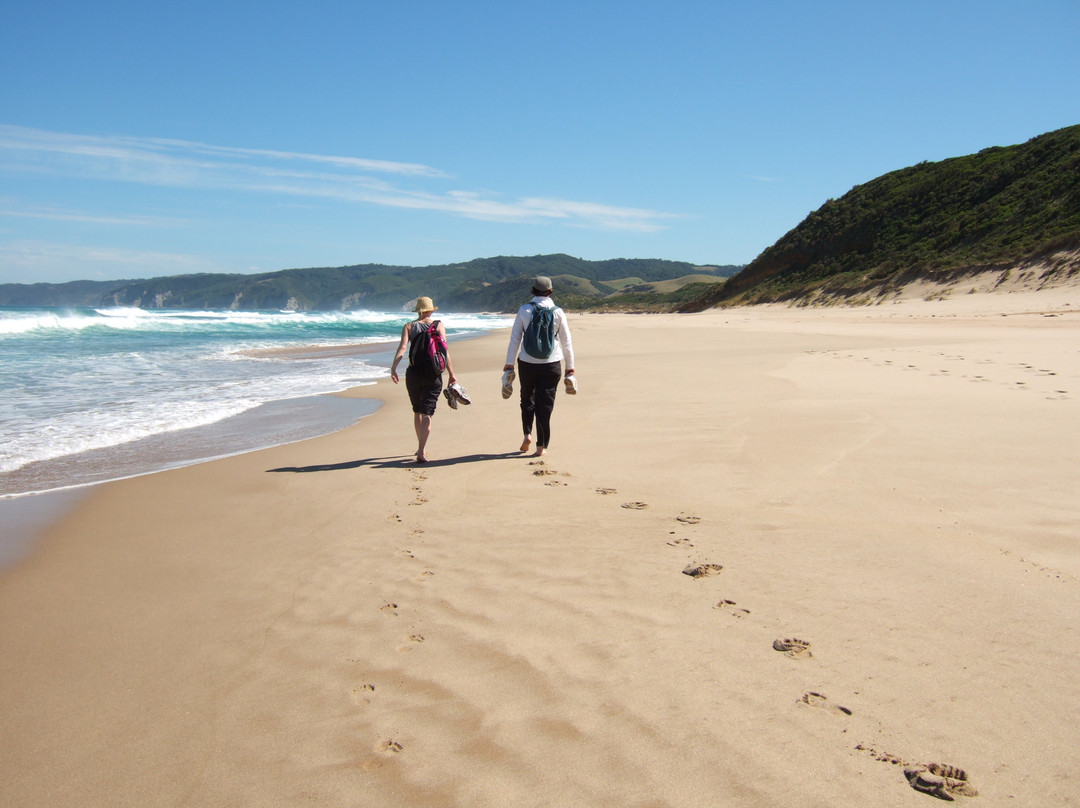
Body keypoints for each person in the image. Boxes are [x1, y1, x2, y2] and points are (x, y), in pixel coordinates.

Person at [503, 276, 576, 457]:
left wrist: (509, 364)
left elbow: (515, 339)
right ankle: (541, 446)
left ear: (532, 291)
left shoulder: (524, 310)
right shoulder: (558, 312)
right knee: (545, 404)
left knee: (527, 399)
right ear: (551, 291)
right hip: (551, 363)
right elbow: (566, 341)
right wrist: (570, 367)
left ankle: (527, 434)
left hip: (527, 362)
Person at [391, 297, 457, 463]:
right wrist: (451, 373)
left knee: (417, 410)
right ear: (432, 310)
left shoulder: (409, 326)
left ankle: (422, 446)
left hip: (413, 374)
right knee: (428, 412)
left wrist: (393, 368)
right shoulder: (438, 325)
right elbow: (444, 350)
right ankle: (421, 451)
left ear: (418, 310)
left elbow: (402, 349)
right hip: (433, 374)